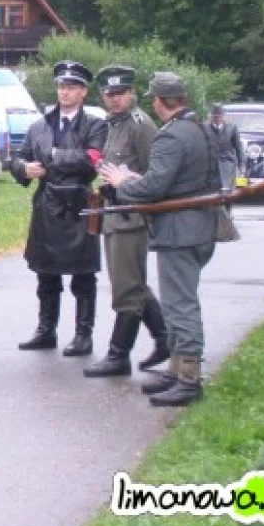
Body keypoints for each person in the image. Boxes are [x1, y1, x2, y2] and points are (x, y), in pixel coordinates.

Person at [101, 72, 218, 407]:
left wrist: (124, 183)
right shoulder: (200, 128)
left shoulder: (171, 136)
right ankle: (177, 370)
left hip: (179, 232)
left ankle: (189, 378)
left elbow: (155, 188)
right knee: (178, 301)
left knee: (180, 305)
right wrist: (142, 178)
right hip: (197, 228)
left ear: (159, 101)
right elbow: (175, 180)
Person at [11, 60, 108, 356]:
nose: (64, 92)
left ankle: (83, 334)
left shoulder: (95, 125)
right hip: (47, 204)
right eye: (61, 87)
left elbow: (91, 160)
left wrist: (54, 155)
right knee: (46, 273)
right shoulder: (40, 126)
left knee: (83, 275)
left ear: (83, 91)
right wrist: (23, 168)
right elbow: (17, 158)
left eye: (71, 87)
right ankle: (46, 329)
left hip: (79, 204)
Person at [83, 66, 169, 379]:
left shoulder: (140, 126)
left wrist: (127, 185)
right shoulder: (112, 124)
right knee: (129, 283)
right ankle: (164, 338)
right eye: (109, 94)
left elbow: (156, 174)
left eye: (120, 93)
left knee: (127, 287)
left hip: (131, 215)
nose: (115, 99)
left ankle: (119, 354)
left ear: (132, 93)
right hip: (113, 213)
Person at [206, 103, 243, 193]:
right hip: (211, 164)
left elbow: (238, 146)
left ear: (223, 116)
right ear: (211, 116)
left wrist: (242, 163)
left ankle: (228, 204)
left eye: (219, 116)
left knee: (228, 189)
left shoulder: (232, 127)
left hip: (227, 162)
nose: (217, 119)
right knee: (212, 190)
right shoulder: (204, 127)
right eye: (215, 117)